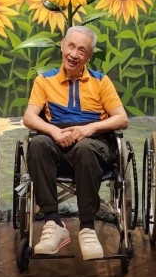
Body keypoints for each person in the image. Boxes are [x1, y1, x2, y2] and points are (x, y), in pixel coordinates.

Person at [23, 25, 129, 260]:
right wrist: (54, 132)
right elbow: (29, 117)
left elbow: (122, 119)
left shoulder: (101, 81)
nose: (74, 54)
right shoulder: (44, 80)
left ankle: (87, 227)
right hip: (57, 142)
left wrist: (90, 128)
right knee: (37, 144)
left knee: (85, 148)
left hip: (93, 144)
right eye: (71, 46)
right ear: (62, 45)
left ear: (89, 56)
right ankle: (53, 222)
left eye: (82, 50)